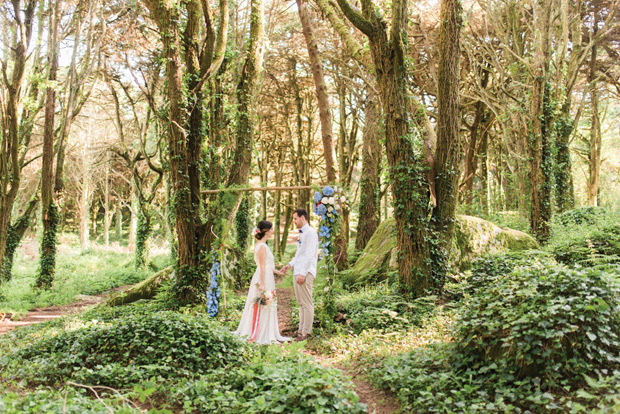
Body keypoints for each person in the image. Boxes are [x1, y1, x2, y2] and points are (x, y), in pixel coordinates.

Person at [234, 221, 290, 344]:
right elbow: (262, 266)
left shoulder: (262, 245)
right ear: (265, 231)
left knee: (267, 303)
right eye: (271, 229)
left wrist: (278, 272)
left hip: (267, 275)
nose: (272, 231)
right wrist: (263, 284)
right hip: (263, 277)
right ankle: (259, 332)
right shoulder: (262, 247)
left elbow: (267, 266)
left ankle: (266, 330)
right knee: (263, 303)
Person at [280, 208, 318, 341]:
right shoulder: (302, 234)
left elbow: (309, 255)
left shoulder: (311, 233)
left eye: (295, 218)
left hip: (305, 272)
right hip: (298, 271)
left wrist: (303, 273)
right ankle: (300, 330)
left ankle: (306, 333)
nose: (294, 221)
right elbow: (299, 255)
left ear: (303, 218)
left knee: (307, 303)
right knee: (301, 303)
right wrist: (289, 265)